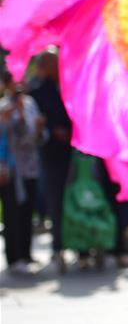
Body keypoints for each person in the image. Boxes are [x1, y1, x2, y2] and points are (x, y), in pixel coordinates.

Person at [28, 51, 72, 274]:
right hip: (52, 154)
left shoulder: (71, 82)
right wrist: (53, 129)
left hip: (75, 152)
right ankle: (58, 247)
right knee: (56, 200)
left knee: (78, 197)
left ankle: (82, 247)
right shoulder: (36, 92)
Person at [0, 74, 43, 273]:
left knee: (27, 212)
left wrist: (40, 129)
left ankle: (26, 254)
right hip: (11, 169)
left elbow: (37, 135)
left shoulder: (31, 104)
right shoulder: (4, 107)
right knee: (12, 213)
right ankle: (14, 257)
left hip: (30, 167)